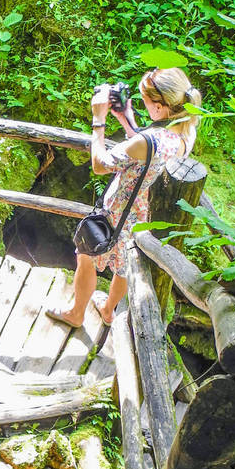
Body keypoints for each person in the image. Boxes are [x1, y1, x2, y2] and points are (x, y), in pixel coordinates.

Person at [47, 67, 202, 327]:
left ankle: (76, 314)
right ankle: (108, 310)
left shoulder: (146, 141)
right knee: (123, 267)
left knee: (86, 256)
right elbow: (151, 148)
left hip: (117, 212)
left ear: (161, 108)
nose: (142, 104)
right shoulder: (186, 132)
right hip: (143, 217)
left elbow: (100, 164)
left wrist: (99, 119)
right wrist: (127, 120)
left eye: (146, 102)